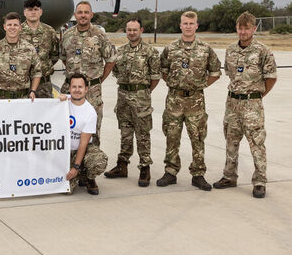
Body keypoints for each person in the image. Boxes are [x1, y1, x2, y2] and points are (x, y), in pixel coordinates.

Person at [213, 12, 277, 198]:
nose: (243, 32)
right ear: (236, 28)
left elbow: (271, 78)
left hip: (252, 105)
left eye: (246, 28)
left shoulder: (262, 50)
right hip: (232, 103)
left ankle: (259, 181)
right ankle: (229, 176)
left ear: (254, 29)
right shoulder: (230, 49)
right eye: (240, 28)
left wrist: (257, 96)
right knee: (231, 142)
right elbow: (231, 75)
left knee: (257, 143)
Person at [158, 11, 221, 190]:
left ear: (196, 26)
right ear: (180, 26)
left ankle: (198, 174)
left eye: (191, 23)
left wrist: (200, 85)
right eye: (185, 23)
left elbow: (215, 72)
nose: (187, 26)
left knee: (198, 138)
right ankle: (170, 172)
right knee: (172, 137)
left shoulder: (205, 49)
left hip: (196, 101)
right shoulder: (170, 48)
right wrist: (173, 83)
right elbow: (163, 69)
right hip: (174, 100)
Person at [105, 19, 160, 187]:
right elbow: (114, 71)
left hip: (141, 96)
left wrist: (143, 91)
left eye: (135, 30)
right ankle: (122, 165)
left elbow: (155, 77)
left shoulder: (150, 52)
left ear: (141, 30)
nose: (131, 33)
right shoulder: (119, 52)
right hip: (122, 96)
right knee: (125, 132)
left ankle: (145, 167)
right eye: (129, 30)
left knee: (143, 134)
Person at [59, 1, 116, 143]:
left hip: (92, 90)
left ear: (91, 15)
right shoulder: (67, 35)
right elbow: (64, 58)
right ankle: (70, 161)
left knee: (93, 129)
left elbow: (111, 60)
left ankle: (91, 161)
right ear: (75, 15)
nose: (83, 15)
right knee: (67, 127)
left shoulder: (99, 35)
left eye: (86, 12)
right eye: (80, 12)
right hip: (70, 89)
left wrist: (98, 80)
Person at [59, 74, 108, 195]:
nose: (77, 90)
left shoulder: (90, 112)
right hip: (62, 152)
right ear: (69, 88)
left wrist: (75, 167)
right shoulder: (62, 102)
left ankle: (86, 174)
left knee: (98, 161)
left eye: (80, 87)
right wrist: (58, 99)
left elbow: (83, 143)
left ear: (86, 89)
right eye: (74, 87)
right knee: (65, 190)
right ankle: (78, 174)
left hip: (79, 150)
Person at [0, 12, 41, 101]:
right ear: (4, 27)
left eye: (15, 25)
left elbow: (37, 72)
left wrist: (33, 91)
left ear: (20, 27)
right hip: (1, 99)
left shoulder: (29, 49)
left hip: (24, 99)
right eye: (9, 25)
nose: (12, 27)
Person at [20, 0, 60, 98]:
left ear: (41, 12)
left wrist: (44, 66)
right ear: (24, 12)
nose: (33, 12)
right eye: (30, 10)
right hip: (24, 85)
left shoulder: (49, 31)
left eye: (36, 9)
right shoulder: (18, 32)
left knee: (46, 112)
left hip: (44, 85)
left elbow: (55, 54)